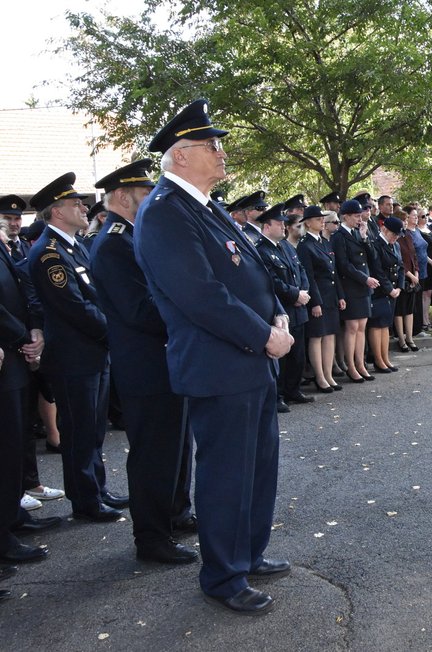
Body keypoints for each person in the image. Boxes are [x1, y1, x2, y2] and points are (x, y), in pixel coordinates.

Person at [134, 99, 292, 615]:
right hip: (220, 364)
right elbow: (199, 294)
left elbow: (249, 273)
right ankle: (224, 576)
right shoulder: (163, 212)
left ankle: (247, 553)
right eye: (212, 146)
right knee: (227, 473)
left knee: (259, 466)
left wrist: (276, 317)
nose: (223, 154)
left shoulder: (204, 204)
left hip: (250, 359)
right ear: (180, 156)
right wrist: (262, 335)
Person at [89, 158, 197, 564]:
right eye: (144, 193)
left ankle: (176, 512)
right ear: (121, 197)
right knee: (154, 452)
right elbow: (139, 310)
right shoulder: (114, 242)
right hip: (146, 366)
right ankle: (152, 538)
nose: (152, 198)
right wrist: (185, 313)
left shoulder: (133, 235)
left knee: (177, 444)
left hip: (166, 359)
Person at [27, 173, 130, 522]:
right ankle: (85, 502)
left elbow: (96, 294)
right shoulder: (48, 254)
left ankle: (97, 489)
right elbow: (74, 307)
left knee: (94, 430)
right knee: (79, 432)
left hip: (93, 353)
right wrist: (114, 330)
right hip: (74, 357)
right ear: (56, 212)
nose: (84, 208)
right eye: (75, 204)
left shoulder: (75, 245)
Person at [1, 212, 60, 566]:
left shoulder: (8, 247)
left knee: (16, 441)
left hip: (14, 357)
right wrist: (25, 336)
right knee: (6, 444)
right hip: (8, 353)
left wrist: (34, 331)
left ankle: (12, 517)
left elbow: (21, 295)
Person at [254, 203, 313, 411]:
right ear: (267, 226)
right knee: (283, 357)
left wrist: (303, 292)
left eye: (284, 223)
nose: (283, 227)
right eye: (279, 223)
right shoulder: (261, 250)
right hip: (282, 309)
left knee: (298, 354)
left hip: (299, 308)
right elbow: (271, 281)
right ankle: (277, 395)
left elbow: (301, 270)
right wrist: (295, 294)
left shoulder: (286, 246)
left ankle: (293, 389)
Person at [296, 206, 345, 393]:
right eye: (317, 219)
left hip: (330, 296)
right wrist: (315, 302)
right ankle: (320, 377)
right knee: (317, 337)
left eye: (322, 218)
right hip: (318, 297)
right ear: (307, 222)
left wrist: (340, 295)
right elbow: (309, 276)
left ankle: (328, 374)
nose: (321, 221)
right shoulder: (304, 245)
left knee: (330, 335)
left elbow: (334, 272)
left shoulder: (324, 243)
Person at [332, 198, 381, 383]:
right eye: (356, 216)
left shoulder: (358, 233)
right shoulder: (339, 236)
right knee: (352, 327)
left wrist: (365, 237)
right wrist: (364, 278)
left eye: (360, 216)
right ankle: (350, 365)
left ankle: (360, 364)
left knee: (362, 327)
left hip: (363, 285)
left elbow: (373, 257)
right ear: (345, 216)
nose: (359, 219)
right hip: (351, 285)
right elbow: (343, 265)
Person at [367, 217, 404, 373]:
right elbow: (378, 270)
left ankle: (385, 358)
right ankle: (378, 359)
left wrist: (399, 287)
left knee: (386, 326)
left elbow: (401, 267)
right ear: (384, 229)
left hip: (393, 291)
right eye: (393, 234)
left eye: (397, 235)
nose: (395, 237)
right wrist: (389, 289)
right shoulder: (376, 245)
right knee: (377, 326)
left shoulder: (395, 245)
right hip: (380, 291)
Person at [394, 208, 421, 353]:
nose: (405, 223)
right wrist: (410, 275)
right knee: (400, 310)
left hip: (412, 278)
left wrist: (416, 273)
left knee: (409, 310)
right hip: (402, 278)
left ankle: (410, 338)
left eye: (406, 220)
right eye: (403, 220)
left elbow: (414, 256)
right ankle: (401, 339)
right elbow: (400, 262)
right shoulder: (396, 238)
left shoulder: (408, 236)